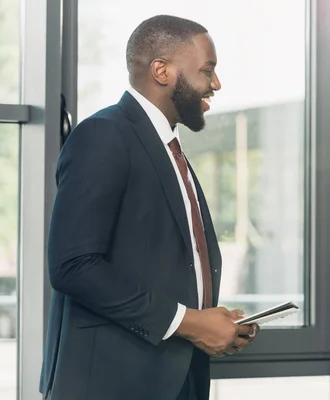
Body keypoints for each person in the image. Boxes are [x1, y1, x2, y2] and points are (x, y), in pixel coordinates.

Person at [39, 15, 259, 400]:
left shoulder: (168, 148)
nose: (216, 83)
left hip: (178, 377)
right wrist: (189, 322)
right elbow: (72, 266)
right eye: (207, 70)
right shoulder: (103, 134)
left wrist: (210, 319)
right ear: (162, 70)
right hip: (113, 383)